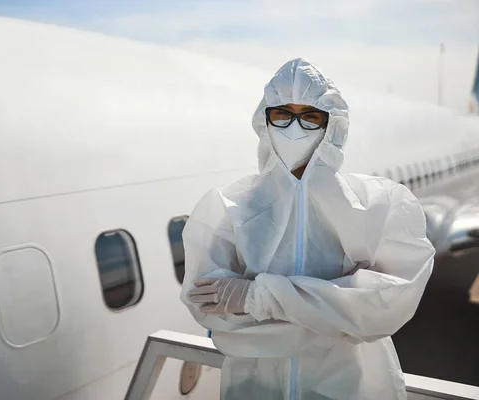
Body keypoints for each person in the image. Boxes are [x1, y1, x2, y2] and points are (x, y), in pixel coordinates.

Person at [180, 58, 435, 400]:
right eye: (282, 114)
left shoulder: (379, 204)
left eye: (310, 116)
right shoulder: (227, 207)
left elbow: (388, 305)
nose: (294, 127)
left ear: (332, 125)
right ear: (264, 120)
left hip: (349, 387)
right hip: (255, 388)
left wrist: (256, 297)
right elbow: (214, 317)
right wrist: (339, 318)